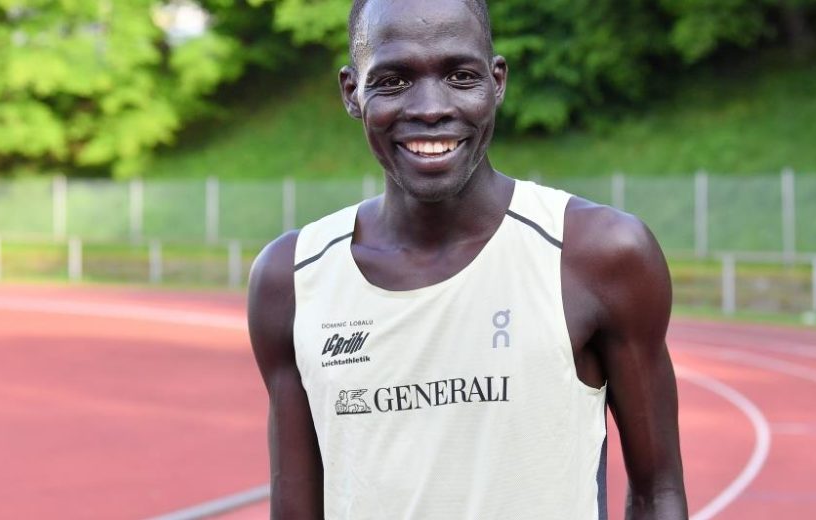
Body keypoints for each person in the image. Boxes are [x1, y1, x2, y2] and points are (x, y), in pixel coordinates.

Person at [248, 0, 687, 518]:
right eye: (393, 81)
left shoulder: (598, 254)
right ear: (352, 92)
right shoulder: (292, 279)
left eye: (460, 76)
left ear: (496, 82)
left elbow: (658, 492)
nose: (430, 108)